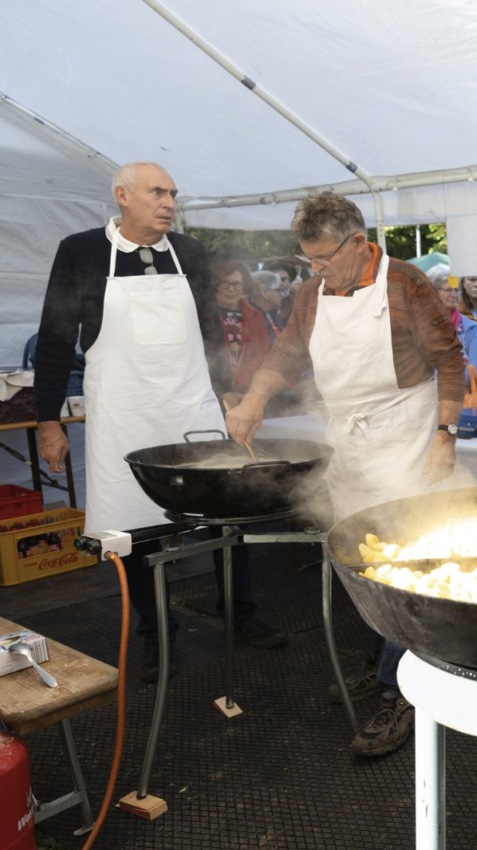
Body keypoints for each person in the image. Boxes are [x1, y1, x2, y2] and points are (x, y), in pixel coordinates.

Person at [225, 191, 466, 758]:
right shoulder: (311, 294)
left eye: (324, 257)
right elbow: (286, 356)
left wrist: (444, 435)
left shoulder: (404, 283)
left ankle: (403, 693)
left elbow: (450, 361)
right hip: (349, 443)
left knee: (404, 569)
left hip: (406, 437)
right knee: (362, 562)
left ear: (359, 243)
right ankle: (383, 659)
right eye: (308, 259)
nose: (316, 269)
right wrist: (255, 399)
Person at [33, 162, 286, 684]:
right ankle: (155, 632)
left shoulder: (189, 251)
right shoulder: (80, 251)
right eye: (157, 192)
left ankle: (239, 613)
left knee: (225, 510)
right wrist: (47, 421)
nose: (169, 202)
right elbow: (55, 338)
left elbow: (210, 329)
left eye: (172, 193)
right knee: (133, 527)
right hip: (123, 413)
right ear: (123, 196)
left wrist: (228, 392)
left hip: (190, 406)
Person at [212, 259, 273, 401]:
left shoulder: (255, 315)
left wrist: (253, 389)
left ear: (244, 285)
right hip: (215, 393)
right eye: (225, 283)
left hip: (250, 390)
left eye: (236, 284)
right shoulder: (205, 316)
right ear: (215, 285)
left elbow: (264, 353)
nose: (231, 289)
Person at [427, 266, 477, 371]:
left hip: (460, 381)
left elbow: (476, 367)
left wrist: (450, 379)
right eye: (448, 290)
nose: (454, 295)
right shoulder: (418, 325)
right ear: (433, 292)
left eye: (457, 290)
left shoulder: (472, 328)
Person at [247, 270, 287, 342]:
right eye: (278, 290)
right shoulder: (250, 321)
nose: (281, 294)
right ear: (264, 293)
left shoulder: (274, 314)